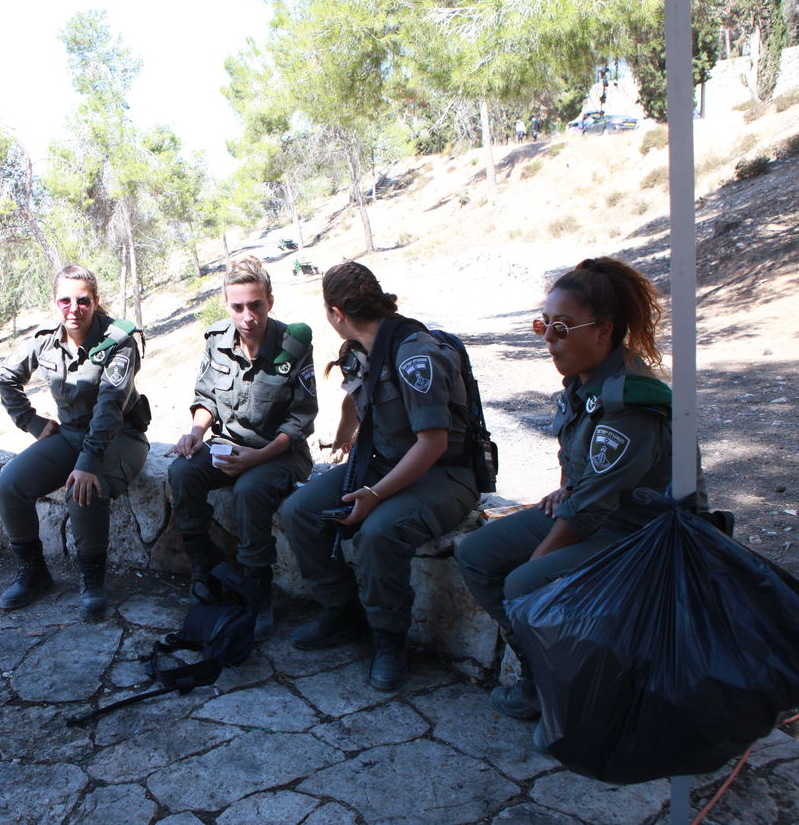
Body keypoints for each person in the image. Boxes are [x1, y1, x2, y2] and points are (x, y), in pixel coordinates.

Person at [455, 256, 680, 721]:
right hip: (593, 512)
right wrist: (568, 486)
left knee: (525, 582)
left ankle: (564, 690)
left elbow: (591, 512)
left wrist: (537, 568)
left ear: (603, 331)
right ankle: (544, 668)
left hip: (640, 535)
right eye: (544, 326)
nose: (549, 340)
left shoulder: (629, 402)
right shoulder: (585, 384)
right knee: (476, 554)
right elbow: (582, 470)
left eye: (562, 328)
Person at [280, 262, 479, 691]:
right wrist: (340, 440)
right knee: (299, 510)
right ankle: (341, 611)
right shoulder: (359, 347)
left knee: (379, 532)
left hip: (443, 473)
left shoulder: (415, 353)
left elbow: (433, 444)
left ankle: (390, 640)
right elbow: (357, 397)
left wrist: (373, 493)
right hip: (385, 461)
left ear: (335, 312)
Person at [168, 257, 318, 640]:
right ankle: (203, 568)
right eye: (238, 307)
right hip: (229, 446)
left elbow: (300, 418)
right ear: (227, 305)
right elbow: (206, 398)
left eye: (256, 305)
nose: (247, 316)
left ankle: (257, 589)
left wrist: (259, 457)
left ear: (270, 301)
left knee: (251, 490)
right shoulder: (217, 340)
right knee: (181, 472)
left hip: (282, 452)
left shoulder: (292, 346)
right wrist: (197, 431)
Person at [0, 265, 151, 622]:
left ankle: (92, 583)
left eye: (83, 300)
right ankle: (34, 574)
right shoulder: (46, 340)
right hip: (68, 434)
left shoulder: (119, 341)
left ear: (95, 302)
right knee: (10, 486)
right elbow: (6, 378)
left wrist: (88, 462)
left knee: (84, 489)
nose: (73, 308)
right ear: (54, 302)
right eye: (65, 300)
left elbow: (110, 407)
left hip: (121, 436)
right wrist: (31, 422)